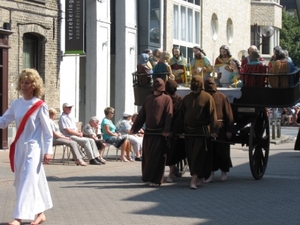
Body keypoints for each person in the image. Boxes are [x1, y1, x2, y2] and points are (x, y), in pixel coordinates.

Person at [0, 68, 53, 225]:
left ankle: (18, 217)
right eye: (22, 82)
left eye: (27, 82)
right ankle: (40, 214)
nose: (24, 85)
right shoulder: (16, 103)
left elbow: (48, 132)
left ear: (34, 85)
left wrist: (48, 152)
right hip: (19, 148)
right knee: (24, 181)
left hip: (34, 148)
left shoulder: (40, 105)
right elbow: (3, 121)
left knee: (28, 180)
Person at [130, 78, 173, 187]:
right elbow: (141, 116)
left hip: (160, 134)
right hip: (149, 133)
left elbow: (169, 115)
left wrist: (166, 130)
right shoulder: (148, 99)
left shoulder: (167, 99)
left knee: (157, 157)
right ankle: (148, 177)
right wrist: (135, 128)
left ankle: (157, 180)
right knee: (148, 156)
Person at [181, 75, 218, 189]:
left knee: (198, 154)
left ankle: (194, 178)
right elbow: (182, 115)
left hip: (201, 132)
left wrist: (214, 130)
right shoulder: (187, 98)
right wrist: (181, 130)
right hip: (189, 131)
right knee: (191, 155)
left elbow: (213, 115)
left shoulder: (207, 97)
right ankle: (198, 176)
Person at [204, 78, 234, 182]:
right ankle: (211, 174)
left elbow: (228, 113)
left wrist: (229, 129)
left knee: (223, 151)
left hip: (221, 126)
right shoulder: (205, 97)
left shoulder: (221, 97)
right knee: (210, 151)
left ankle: (224, 172)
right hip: (209, 127)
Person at [164, 80, 186, 182]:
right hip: (177, 130)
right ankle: (171, 173)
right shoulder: (180, 100)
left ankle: (170, 173)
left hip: (165, 129)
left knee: (167, 151)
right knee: (173, 151)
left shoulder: (164, 99)